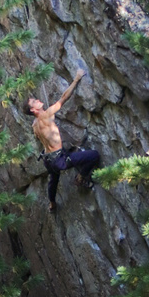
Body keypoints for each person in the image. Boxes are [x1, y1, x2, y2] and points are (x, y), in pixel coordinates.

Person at [25, 70, 100, 211]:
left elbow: (40, 136)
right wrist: (77, 78)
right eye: (35, 102)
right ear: (33, 110)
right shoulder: (46, 115)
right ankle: (81, 178)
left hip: (48, 159)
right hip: (59, 160)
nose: (38, 100)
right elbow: (64, 98)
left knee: (53, 180)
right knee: (94, 155)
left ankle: (52, 203)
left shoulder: (34, 124)